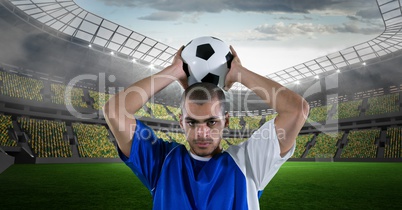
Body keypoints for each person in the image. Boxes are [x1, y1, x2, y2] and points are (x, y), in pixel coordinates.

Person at [103, 45, 309, 209]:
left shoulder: (250, 162)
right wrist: (174, 72)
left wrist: (239, 72)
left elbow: (296, 110)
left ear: (226, 121)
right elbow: (114, 111)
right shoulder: (161, 162)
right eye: (192, 122)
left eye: (212, 122)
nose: (202, 132)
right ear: (181, 123)